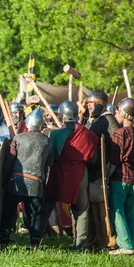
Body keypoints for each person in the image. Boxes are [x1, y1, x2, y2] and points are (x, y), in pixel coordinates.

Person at [42, 101, 98, 251]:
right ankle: (81, 245)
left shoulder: (55, 134)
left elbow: (51, 156)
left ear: (62, 115)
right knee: (81, 210)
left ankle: (36, 238)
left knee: (47, 205)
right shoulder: (88, 134)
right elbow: (93, 159)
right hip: (80, 175)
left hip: (59, 174)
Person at [0, 108, 52, 250]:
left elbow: (9, 161)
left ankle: (4, 242)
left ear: (27, 123)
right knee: (35, 215)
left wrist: (3, 181)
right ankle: (34, 243)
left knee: (8, 212)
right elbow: (48, 164)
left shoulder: (19, 138)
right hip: (36, 183)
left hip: (16, 182)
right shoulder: (46, 141)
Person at [83, 89, 120, 251]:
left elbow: (118, 148)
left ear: (100, 105)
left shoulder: (109, 121)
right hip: (93, 172)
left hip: (103, 172)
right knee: (94, 210)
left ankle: (108, 242)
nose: (88, 106)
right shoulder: (95, 120)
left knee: (103, 210)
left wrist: (109, 171)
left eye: (91, 103)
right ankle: (98, 241)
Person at [108, 98, 134, 255]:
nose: (116, 114)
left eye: (118, 111)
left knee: (117, 211)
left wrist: (107, 176)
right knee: (129, 211)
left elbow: (114, 161)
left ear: (125, 114)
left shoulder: (119, 134)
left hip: (120, 179)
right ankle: (131, 242)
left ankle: (126, 246)